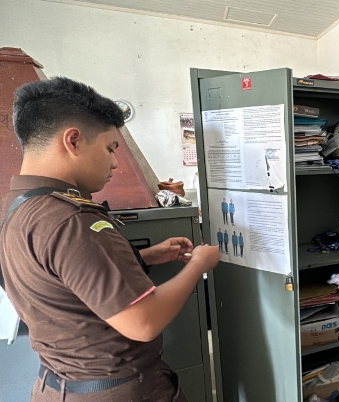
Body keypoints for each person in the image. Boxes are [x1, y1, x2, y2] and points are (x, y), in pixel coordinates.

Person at [0, 77, 221, 402]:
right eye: (109, 148)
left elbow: (64, 280)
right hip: (117, 391)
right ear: (73, 141)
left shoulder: (17, 206)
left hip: (55, 387)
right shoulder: (73, 220)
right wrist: (198, 266)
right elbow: (144, 322)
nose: (115, 162)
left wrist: (144, 257)